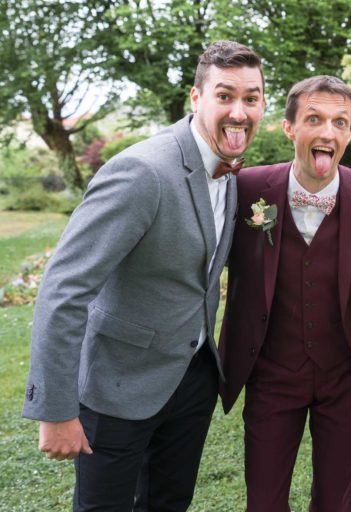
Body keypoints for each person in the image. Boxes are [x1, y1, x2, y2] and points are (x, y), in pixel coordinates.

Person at [21, 41, 266, 511]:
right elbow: (64, 288)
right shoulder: (143, 171)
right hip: (117, 387)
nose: (239, 111)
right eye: (225, 95)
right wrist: (54, 410)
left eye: (251, 98)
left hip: (191, 382)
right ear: (196, 99)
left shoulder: (231, 175)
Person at [218, 75, 351, 511]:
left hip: (344, 376)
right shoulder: (247, 189)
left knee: (335, 500)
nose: (327, 132)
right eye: (314, 118)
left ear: (350, 132)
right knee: (264, 499)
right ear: (289, 127)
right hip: (271, 374)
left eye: (340, 121)